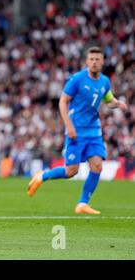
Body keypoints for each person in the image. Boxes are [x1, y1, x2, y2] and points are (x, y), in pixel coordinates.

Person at [27, 46, 128, 214]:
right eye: (92, 59)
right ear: (87, 61)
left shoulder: (104, 81)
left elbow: (108, 99)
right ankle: (42, 176)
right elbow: (63, 101)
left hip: (94, 131)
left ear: (103, 61)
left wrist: (117, 104)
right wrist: (68, 125)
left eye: (98, 59)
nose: (95, 62)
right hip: (76, 130)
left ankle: (82, 204)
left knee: (97, 166)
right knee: (71, 171)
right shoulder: (77, 79)